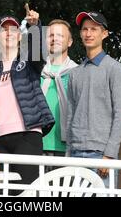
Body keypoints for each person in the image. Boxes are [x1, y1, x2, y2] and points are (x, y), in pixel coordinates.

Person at [0, 9, 55, 195]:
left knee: (25, 194)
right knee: (0, 194)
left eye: (13, 29)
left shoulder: (28, 62)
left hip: (27, 136)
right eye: (4, 29)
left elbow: (40, 52)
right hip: (1, 141)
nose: (9, 33)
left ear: (19, 36)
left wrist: (35, 27)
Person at [66, 11, 121, 188]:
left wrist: (109, 155)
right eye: (85, 29)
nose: (88, 33)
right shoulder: (74, 74)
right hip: (76, 153)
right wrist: (69, 153)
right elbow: (71, 115)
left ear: (104, 34)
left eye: (94, 29)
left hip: (101, 154)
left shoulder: (116, 69)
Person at [41, 20, 78, 171]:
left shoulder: (77, 73)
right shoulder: (36, 71)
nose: (54, 39)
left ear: (69, 42)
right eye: (50, 35)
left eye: (60, 35)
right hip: (37, 146)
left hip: (66, 149)